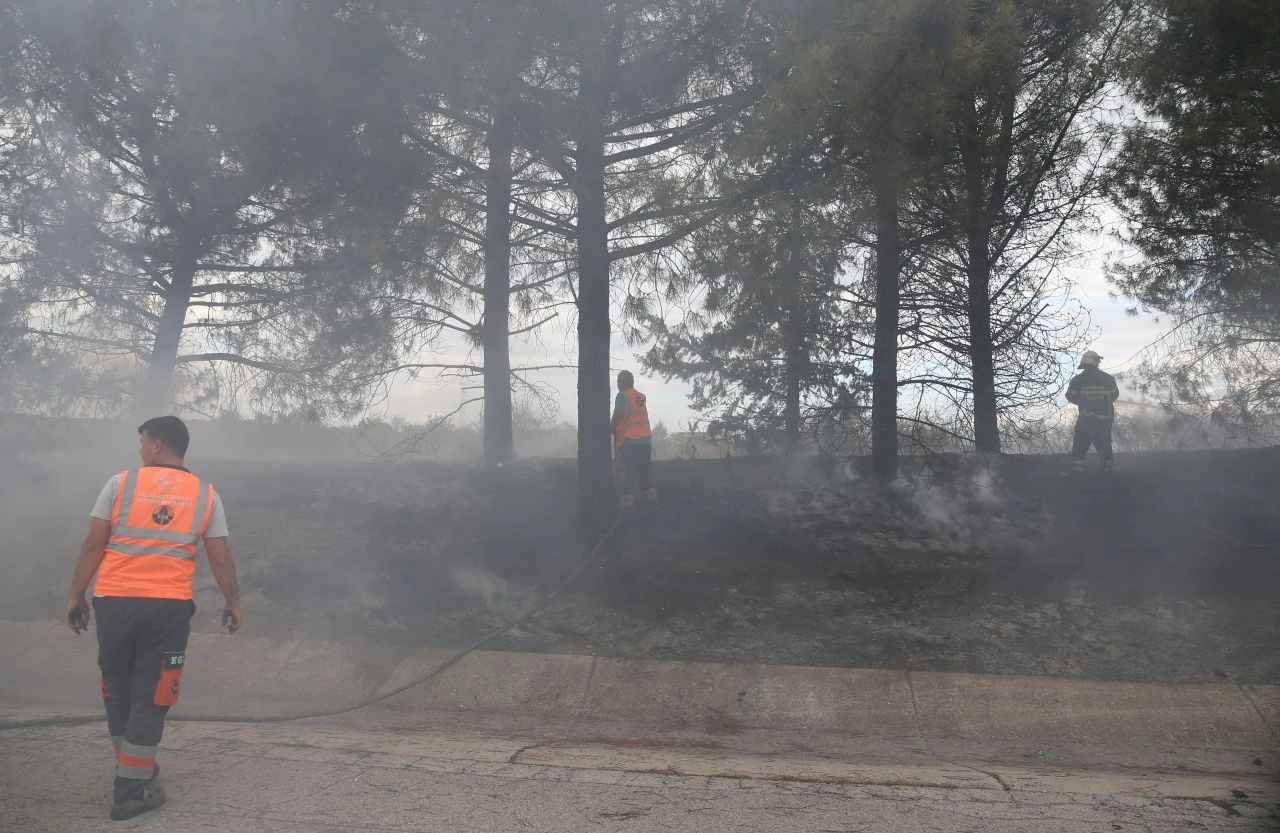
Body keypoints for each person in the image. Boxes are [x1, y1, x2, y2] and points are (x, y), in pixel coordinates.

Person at [65, 416, 241, 821]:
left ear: (158, 444)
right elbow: (220, 556)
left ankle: (133, 765)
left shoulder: (120, 484)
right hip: (166, 608)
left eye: (143, 441)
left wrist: (76, 595)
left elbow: (93, 545)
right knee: (153, 693)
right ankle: (131, 791)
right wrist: (233, 602)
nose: (141, 449)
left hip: (113, 602)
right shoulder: (206, 496)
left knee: (117, 687)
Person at [1065, 350, 1120, 473]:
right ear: (1096, 362)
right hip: (1104, 420)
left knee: (1080, 444)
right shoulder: (1107, 378)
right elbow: (1115, 394)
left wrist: (1082, 401)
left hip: (1086, 419)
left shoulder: (1077, 380)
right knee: (1104, 444)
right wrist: (1102, 401)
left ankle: (1076, 471)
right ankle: (1107, 470)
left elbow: (1069, 395)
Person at [611, 370, 656, 508]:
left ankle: (627, 509)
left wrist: (610, 428)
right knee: (644, 472)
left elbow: (618, 414)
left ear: (621, 383)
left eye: (618, 381)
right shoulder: (641, 396)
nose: (617, 384)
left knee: (626, 474)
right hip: (646, 442)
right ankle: (652, 503)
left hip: (629, 441)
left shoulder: (622, 396)